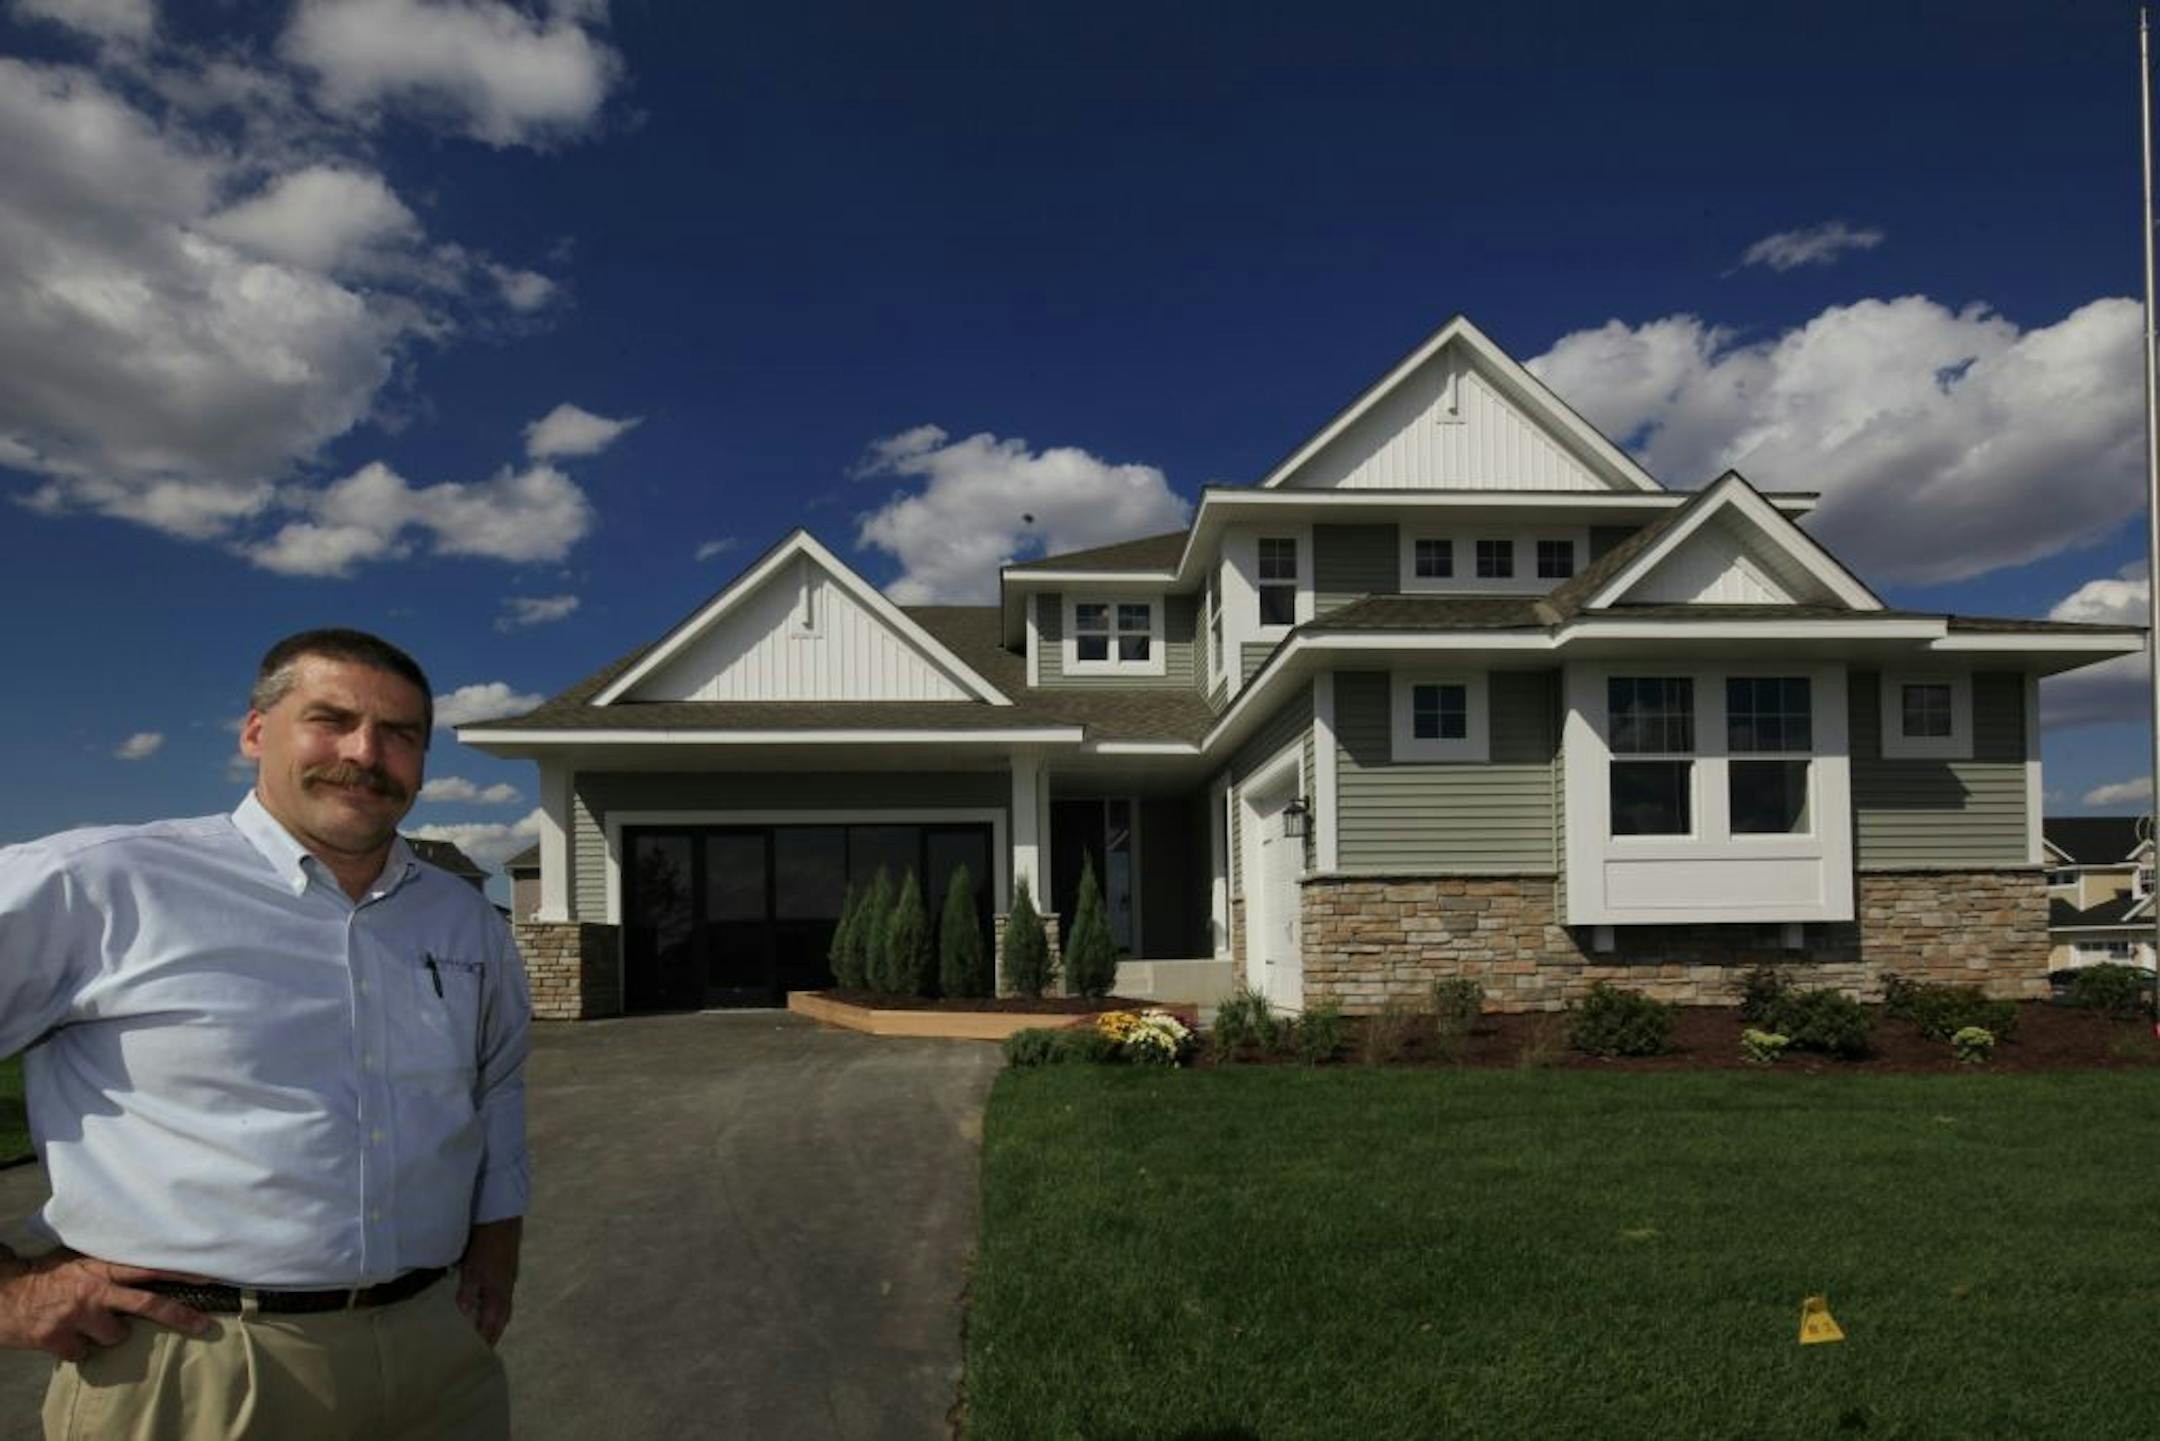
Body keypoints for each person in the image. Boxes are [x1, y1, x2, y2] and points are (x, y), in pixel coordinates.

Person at [0, 629, 532, 1440]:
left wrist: (496, 1247)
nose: (365, 752)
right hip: (196, 1368)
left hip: (435, 1355)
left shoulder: (463, 918)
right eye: (332, 718)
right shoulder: (102, 882)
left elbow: (493, 1086)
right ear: (256, 731)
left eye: (401, 734)